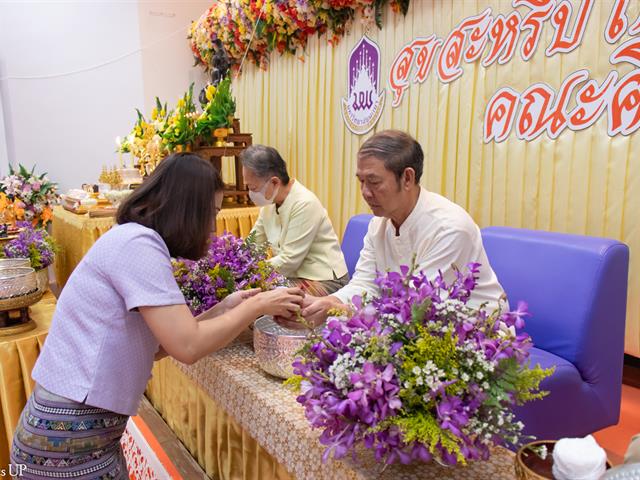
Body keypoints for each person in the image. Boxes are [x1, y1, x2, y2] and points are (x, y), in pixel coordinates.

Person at [11, 154, 303, 479]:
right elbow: (186, 346)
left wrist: (225, 308)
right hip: (68, 437)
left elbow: (160, 344)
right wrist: (257, 305)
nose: (212, 226)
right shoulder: (139, 245)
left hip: (76, 433)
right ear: (187, 209)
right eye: (211, 213)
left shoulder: (134, 239)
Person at [279, 130, 506, 328]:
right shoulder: (379, 224)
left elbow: (419, 310)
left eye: (374, 182)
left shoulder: (449, 228)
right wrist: (330, 303)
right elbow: (364, 284)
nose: (365, 192)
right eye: (361, 182)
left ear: (407, 178)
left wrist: (341, 311)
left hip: (474, 335)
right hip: (408, 329)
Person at [241, 144, 349, 296]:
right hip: (291, 276)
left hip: (324, 280)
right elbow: (252, 245)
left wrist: (250, 273)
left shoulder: (304, 203)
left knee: (261, 297)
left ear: (274, 182)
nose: (250, 193)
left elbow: (289, 260)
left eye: (253, 188)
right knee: (247, 294)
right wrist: (236, 264)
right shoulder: (269, 204)